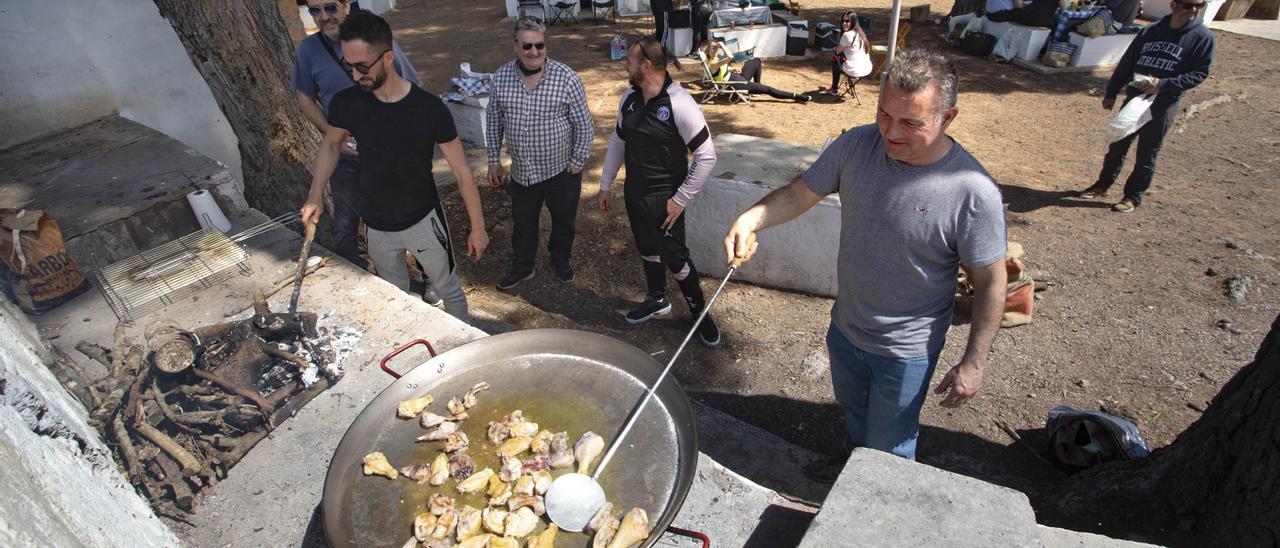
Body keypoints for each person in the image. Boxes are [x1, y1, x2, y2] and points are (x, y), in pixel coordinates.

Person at [724, 49, 1008, 481]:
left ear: (948, 118)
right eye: (884, 114)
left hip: (905, 352)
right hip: (846, 331)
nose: (891, 133)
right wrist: (751, 219)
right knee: (855, 418)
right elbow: (801, 192)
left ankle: (874, 499)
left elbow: (991, 281)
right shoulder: (856, 145)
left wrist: (975, 361)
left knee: (889, 452)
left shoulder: (972, 192)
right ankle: (850, 465)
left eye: (911, 122)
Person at [300, 10, 489, 322]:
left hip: (423, 221)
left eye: (362, 67)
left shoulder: (429, 108)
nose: (355, 75)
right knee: (395, 292)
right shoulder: (348, 103)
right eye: (349, 67)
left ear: (388, 57)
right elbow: (332, 143)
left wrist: (478, 228)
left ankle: (466, 347)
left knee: (447, 288)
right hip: (375, 227)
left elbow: (461, 172)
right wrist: (315, 194)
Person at [291, 0, 445, 306]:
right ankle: (364, 291)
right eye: (315, 10)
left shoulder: (375, 38)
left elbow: (410, 87)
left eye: (330, 8)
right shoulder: (309, 50)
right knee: (346, 227)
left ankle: (432, 282)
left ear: (346, 5)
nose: (324, 17)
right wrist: (331, 130)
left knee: (415, 219)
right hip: (347, 162)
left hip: (391, 159)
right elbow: (304, 96)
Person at [598, 36, 721, 347]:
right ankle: (657, 299)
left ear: (646, 65)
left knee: (676, 258)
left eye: (630, 59)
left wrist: (680, 200)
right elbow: (618, 142)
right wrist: (605, 184)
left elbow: (707, 156)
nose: (625, 63)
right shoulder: (629, 98)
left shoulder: (680, 104)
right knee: (646, 248)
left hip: (665, 199)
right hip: (635, 192)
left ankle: (699, 313)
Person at [486, 18, 594, 289]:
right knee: (523, 224)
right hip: (523, 172)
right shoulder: (500, 78)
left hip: (561, 171)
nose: (534, 51)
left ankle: (561, 260)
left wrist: (577, 160)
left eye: (539, 45)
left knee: (563, 222)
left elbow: (584, 124)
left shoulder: (567, 78)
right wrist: (493, 161)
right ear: (515, 47)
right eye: (527, 46)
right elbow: (493, 121)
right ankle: (523, 266)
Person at [1078, 0, 1215, 213]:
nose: (1194, 10)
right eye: (1189, 5)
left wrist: (1163, 85)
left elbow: (1199, 73)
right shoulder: (1151, 31)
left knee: (1147, 153)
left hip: (1163, 103)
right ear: (1174, 5)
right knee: (1117, 145)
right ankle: (1102, 185)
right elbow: (1127, 62)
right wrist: (1111, 92)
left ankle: (1132, 196)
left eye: (1199, 5)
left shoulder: (1202, 37)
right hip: (1135, 98)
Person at [702, 41, 811, 103]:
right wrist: (722, 45)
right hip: (736, 85)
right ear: (707, 51)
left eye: (716, 47)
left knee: (756, 60)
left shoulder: (714, 60)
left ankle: (757, 85)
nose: (716, 49)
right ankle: (796, 96)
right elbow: (730, 57)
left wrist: (732, 69)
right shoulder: (712, 63)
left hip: (736, 78)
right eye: (713, 48)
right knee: (768, 89)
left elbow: (720, 71)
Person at [825, 10, 873, 95]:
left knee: (836, 59)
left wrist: (837, 52)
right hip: (866, 68)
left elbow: (838, 51)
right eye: (843, 21)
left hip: (854, 70)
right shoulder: (861, 34)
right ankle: (849, 83)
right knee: (845, 56)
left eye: (847, 21)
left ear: (853, 22)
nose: (844, 23)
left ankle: (834, 89)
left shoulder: (847, 35)